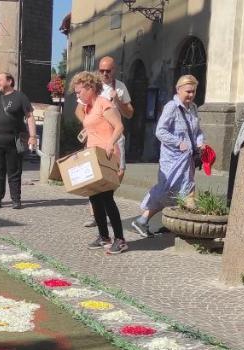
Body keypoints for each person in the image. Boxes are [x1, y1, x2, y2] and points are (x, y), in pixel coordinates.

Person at [132, 75, 206, 238]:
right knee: (167, 190)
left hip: (188, 160)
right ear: (178, 90)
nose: (191, 95)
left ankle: (178, 225)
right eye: (188, 91)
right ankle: (142, 220)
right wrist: (178, 142)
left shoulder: (193, 108)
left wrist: (201, 143)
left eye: (193, 92)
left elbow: (197, 131)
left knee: (187, 190)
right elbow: (160, 131)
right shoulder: (171, 107)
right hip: (172, 159)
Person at [72, 71, 127, 254]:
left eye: (79, 91)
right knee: (94, 196)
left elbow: (119, 126)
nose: (77, 95)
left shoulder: (104, 104)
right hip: (93, 155)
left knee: (107, 198)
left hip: (107, 155)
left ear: (89, 88)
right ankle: (104, 236)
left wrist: (111, 143)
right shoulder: (88, 108)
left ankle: (120, 239)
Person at [82, 56, 135, 230]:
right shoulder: (92, 88)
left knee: (113, 181)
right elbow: (79, 110)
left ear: (114, 70)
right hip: (95, 141)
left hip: (113, 141)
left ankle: (115, 234)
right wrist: (89, 125)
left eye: (108, 70)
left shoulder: (119, 87)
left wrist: (117, 100)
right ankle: (98, 221)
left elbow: (129, 115)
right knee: (96, 187)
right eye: (102, 70)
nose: (105, 74)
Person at [0, 72, 37, 209]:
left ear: (10, 81)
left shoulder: (20, 97)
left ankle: (16, 200)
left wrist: (33, 136)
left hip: (14, 140)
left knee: (14, 172)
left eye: (0, 79)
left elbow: (29, 117)